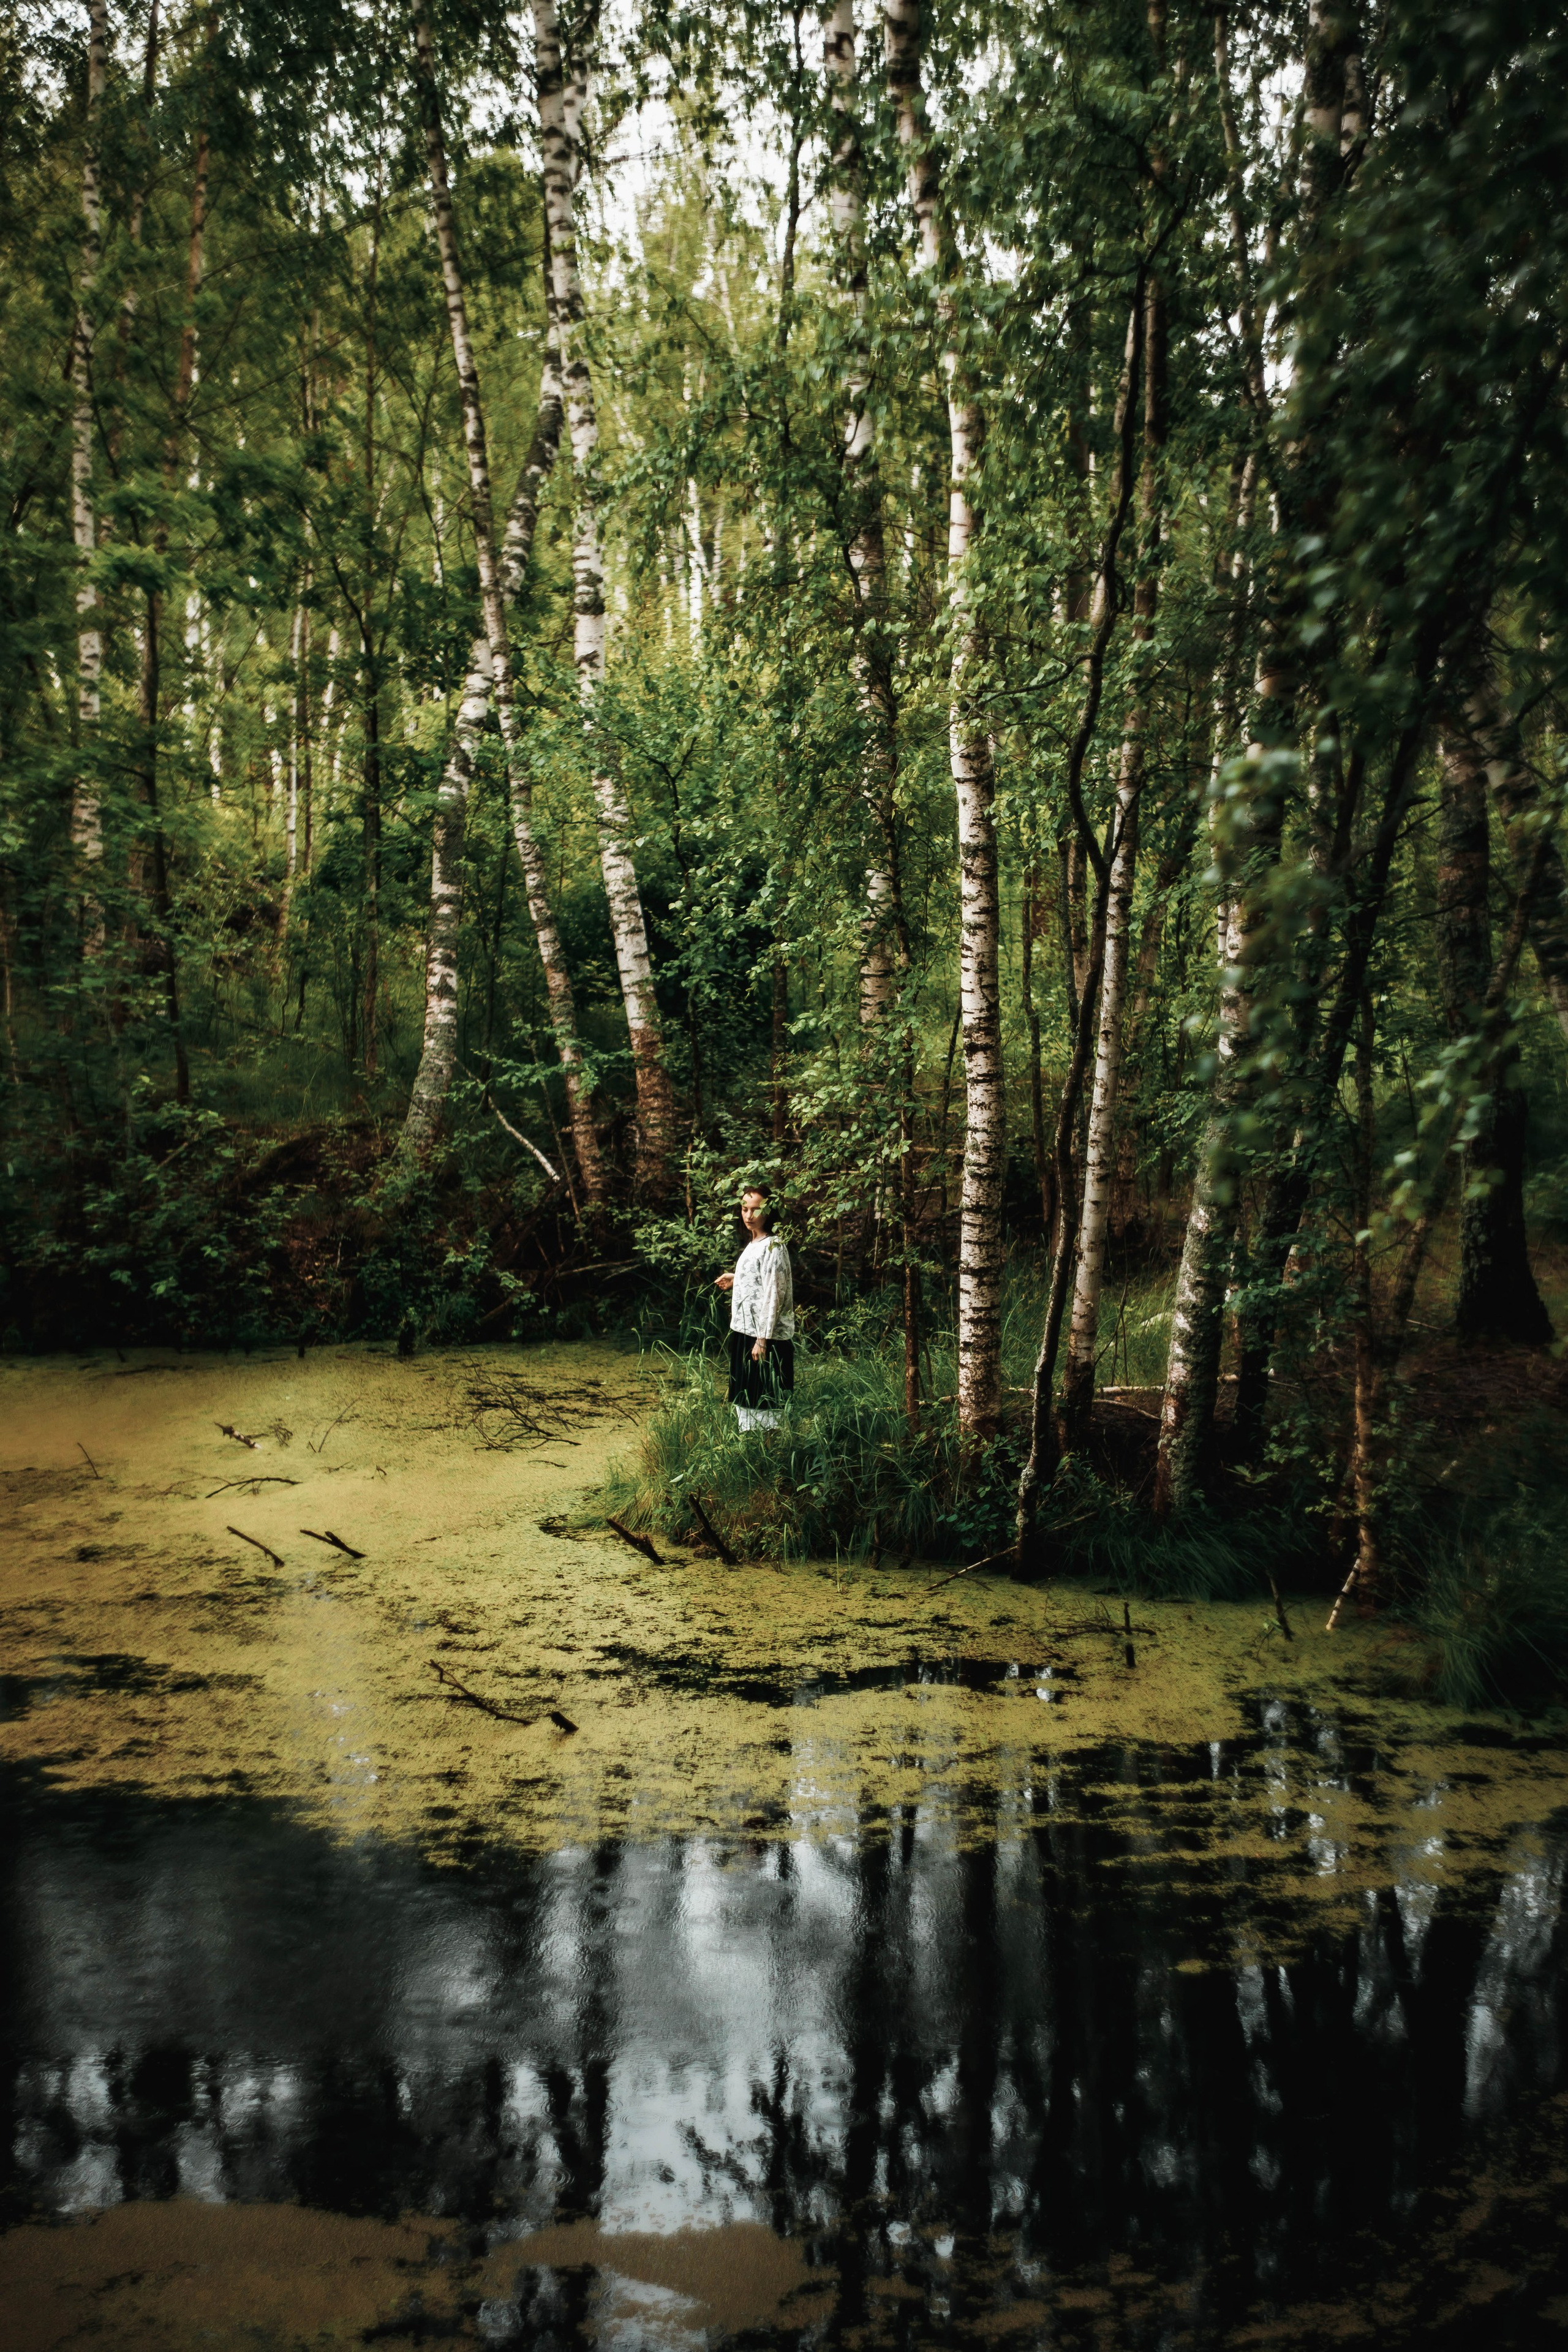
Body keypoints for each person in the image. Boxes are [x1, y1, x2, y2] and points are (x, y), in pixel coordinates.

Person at [714, 1185, 794, 1431]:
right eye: (744, 1209)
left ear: (768, 1211)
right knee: (747, 1399)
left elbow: (775, 1295)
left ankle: (772, 1450)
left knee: (766, 1403)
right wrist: (736, 1277)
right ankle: (752, 1449)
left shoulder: (775, 1245)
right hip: (745, 1332)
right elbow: (761, 1279)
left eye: (755, 1210)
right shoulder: (755, 1242)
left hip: (765, 1338)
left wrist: (762, 1340)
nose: (749, 1215)